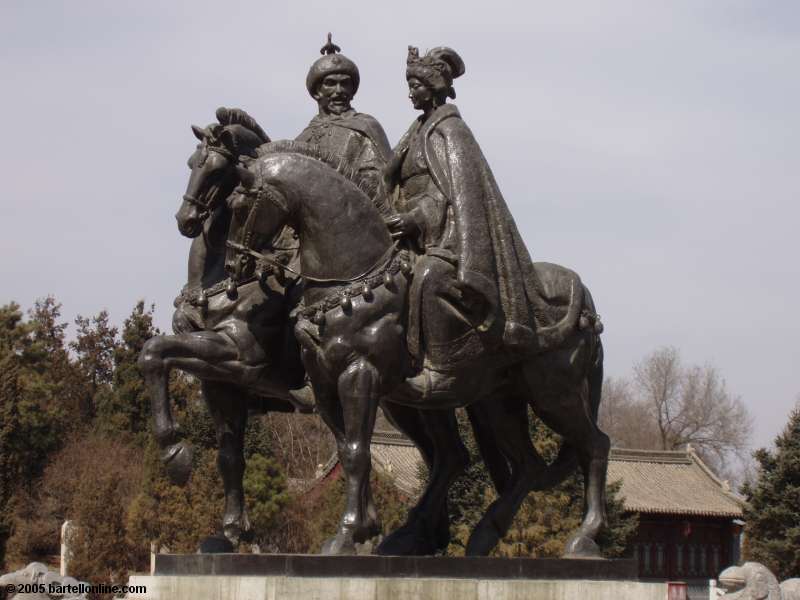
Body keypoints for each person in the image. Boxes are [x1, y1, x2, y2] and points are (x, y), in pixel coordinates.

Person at [385, 46, 542, 397]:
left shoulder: (451, 131)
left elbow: (455, 195)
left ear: (435, 86)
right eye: (408, 84)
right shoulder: (415, 132)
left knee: (428, 277)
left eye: (417, 85)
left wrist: (415, 217)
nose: (410, 92)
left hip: (448, 234)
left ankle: (440, 366)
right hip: (410, 232)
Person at [296, 33, 392, 211]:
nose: (339, 91)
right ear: (317, 92)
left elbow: (379, 181)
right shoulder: (303, 139)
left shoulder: (365, 127)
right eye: (331, 84)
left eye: (345, 84)